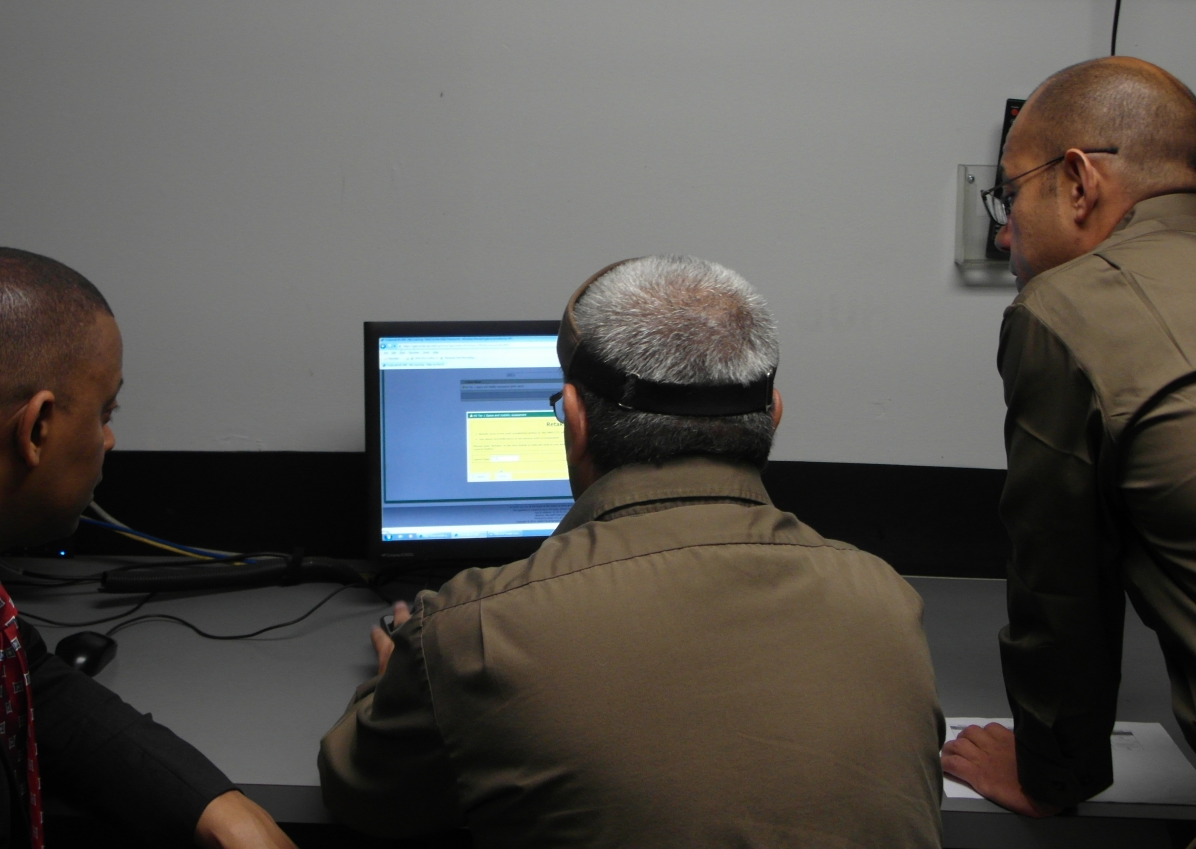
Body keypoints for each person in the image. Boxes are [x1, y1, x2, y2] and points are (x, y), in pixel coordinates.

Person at [319, 255, 944, 848]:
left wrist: (402, 681)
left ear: (574, 418)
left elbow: (363, 796)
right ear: (774, 414)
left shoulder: (473, 631)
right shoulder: (887, 602)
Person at [0, 248, 296, 848]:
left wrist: (220, 808)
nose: (110, 439)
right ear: (38, 428)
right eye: (105, 411)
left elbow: (32, 685)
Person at [941, 57, 1196, 816]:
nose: (1006, 228)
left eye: (1010, 195)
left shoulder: (1067, 309)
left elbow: (1062, 581)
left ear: (1079, 181)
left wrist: (1051, 772)